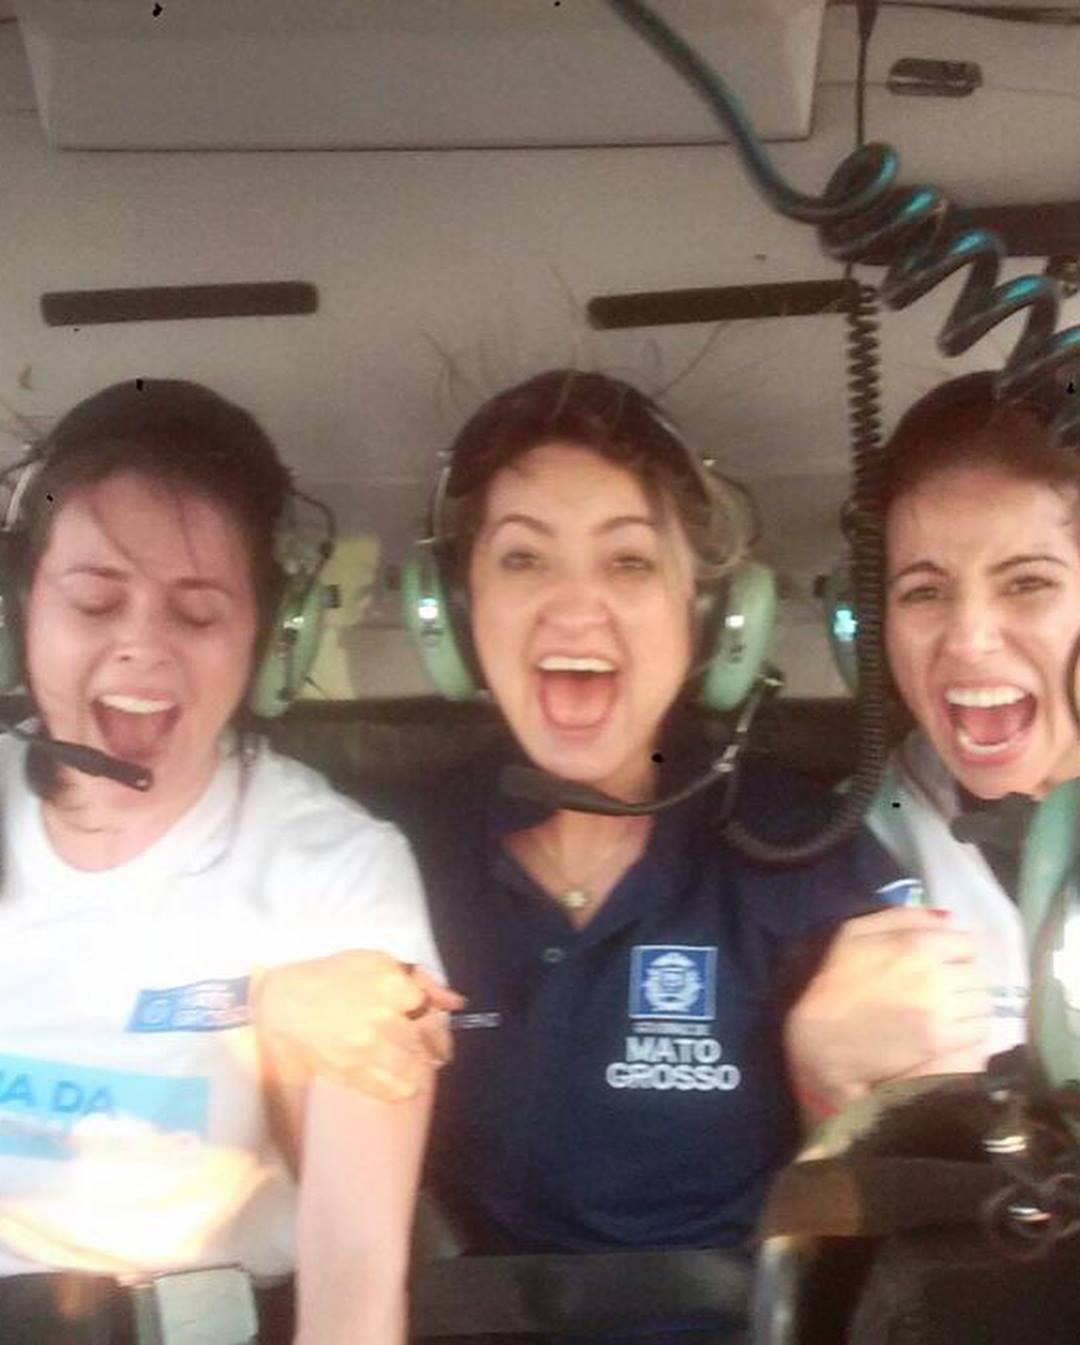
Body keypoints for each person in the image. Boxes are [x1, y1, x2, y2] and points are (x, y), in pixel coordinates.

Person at [264, 368, 905, 1283]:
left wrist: (832, 1081)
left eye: (629, 561)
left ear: (709, 615)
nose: (573, 607)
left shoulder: (806, 849)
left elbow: (879, 1239)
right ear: (457, 613)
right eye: (523, 558)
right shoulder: (377, 859)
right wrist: (278, 1034)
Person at [0, 377, 445, 1344]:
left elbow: (354, 1268)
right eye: (94, 601)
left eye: (197, 615)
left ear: (264, 640)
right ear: (23, 605)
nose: (141, 647)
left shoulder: (337, 872)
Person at [786, 371, 1080, 1115]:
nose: (968, 640)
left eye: (1027, 583)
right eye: (924, 591)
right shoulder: (847, 848)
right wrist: (823, 1085)